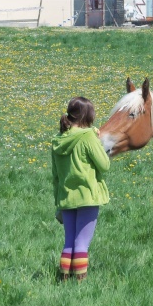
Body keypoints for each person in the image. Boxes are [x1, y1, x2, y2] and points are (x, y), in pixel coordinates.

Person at [51, 97, 110, 281]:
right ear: (88, 116)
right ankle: (80, 285)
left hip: (66, 196)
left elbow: (55, 176)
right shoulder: (88, 138)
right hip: (87, 197)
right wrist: (95, 139)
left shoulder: (58, 140)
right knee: (82, 243)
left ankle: (64, 280)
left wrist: (58, 202)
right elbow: (104, 165)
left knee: (69, 241)